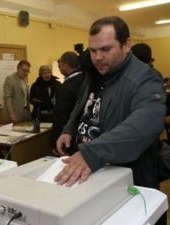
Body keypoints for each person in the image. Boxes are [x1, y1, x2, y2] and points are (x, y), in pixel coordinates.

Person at [55, 16, 166, 205]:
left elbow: (146, 124)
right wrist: (69, 129)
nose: (98, 57)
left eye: (106, 49)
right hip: (91, 168)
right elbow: (83, 104)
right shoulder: (94, 72)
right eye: (93, 50)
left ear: (126, 45)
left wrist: (90, 153)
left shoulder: (145, 79)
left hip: (122, 175)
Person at [51, 52, 84, 153]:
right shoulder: (86, 79)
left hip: (68, 136)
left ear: (65, 65)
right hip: (83, 134)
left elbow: (60, 116)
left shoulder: (65, 87)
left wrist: (54, 141)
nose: (59, 68)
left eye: (60, 65)